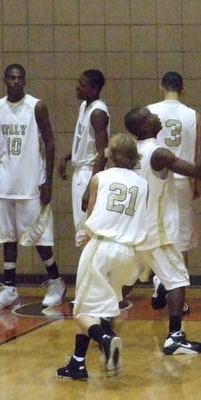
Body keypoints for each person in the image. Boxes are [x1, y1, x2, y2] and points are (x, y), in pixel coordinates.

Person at [123, 106, 201, 355]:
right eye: (150, 116)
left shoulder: (132, 153)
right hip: (157, 230)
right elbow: (198, 171)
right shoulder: (159, 153)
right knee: (177, 279)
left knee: (125, 280)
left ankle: (99, 324)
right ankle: (175, 337)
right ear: (143, 127)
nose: (156, 117)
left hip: (136, 228)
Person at [56, 133, 148, 381]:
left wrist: (84, 235)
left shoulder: (100, 178)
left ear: (111, 153)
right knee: (102, 308)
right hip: (127, 252)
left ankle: (106, 340)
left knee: (81, 310)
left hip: (102, 247)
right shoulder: (142, 184)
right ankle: (78, 363)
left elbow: (91, 213)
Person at [0, 64, 66, 309]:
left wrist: (48, 181)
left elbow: (49, 144)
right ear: (5, 80)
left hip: (31, 182)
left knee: (40, 237)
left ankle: (55, 281)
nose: (16, 81)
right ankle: (9, 288)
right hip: (6, 181)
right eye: (11, 77)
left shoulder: (36, 106)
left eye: (20, 78)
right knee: (7, 238)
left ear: (25, 80)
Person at [146, 71, 201, 311]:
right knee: (181, 241)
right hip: (182, 180)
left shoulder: (149, 111)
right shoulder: (193, 115)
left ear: (161, 87)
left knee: (157, 235)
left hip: (155, 180)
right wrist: (198, 183)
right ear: (183, 88)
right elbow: (199, 151)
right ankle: (180, 300)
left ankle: (158, 279)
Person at [57, 70, 109, 245]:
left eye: (82, 84)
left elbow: (103, 153)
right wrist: (67, 157)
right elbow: (86, 141)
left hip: (89, 174)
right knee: (81, 231)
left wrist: (90, 189)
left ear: (94, 89)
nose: (77, 87)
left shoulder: (98, 113)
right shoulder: (84, 106)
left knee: (87, 233)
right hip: (80, 172)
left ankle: (91, 272)